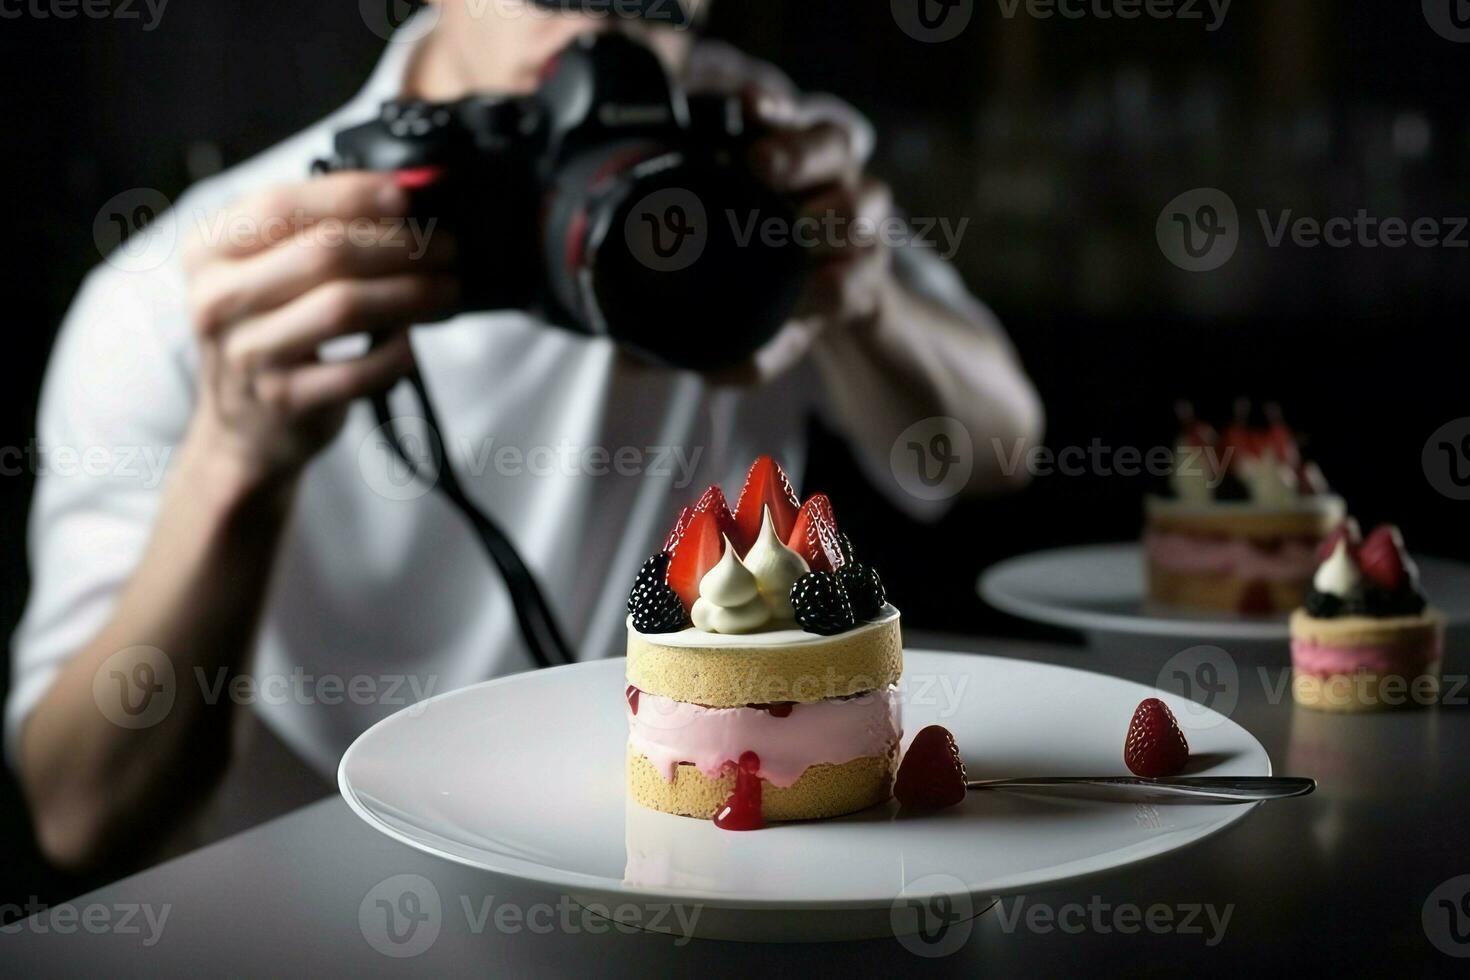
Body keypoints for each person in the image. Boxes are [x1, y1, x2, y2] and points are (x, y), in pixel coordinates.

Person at [7, 0, 1042, 873]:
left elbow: (999, 450)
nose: (597, 26)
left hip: (693, 879)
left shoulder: (750, 156)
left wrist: (862, 307)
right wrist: (236, 462)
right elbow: (82, 812)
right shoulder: (189, 287)